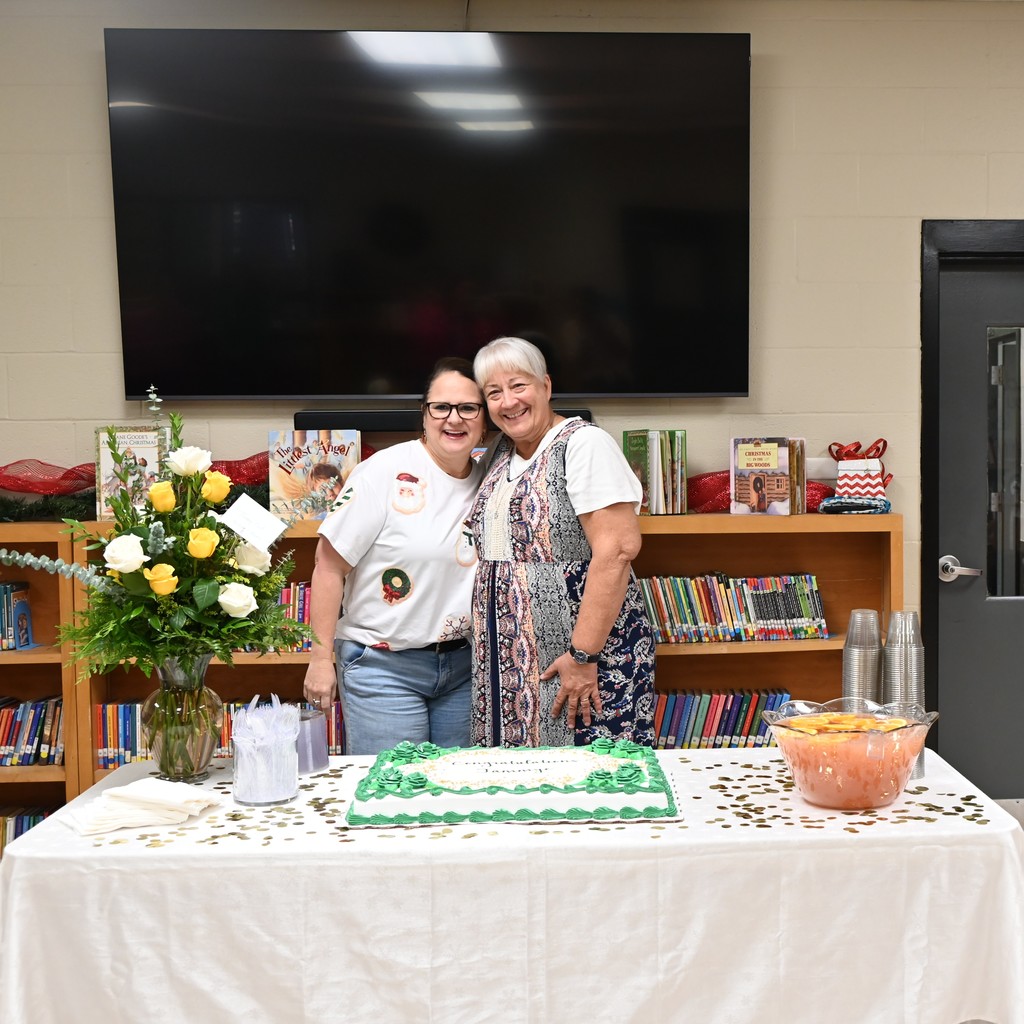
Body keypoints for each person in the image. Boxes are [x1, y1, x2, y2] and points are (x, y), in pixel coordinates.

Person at [467, 336, 656, 748]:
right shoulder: (500, 452)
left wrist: (583, 657)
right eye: (494, 392)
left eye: (519, 385)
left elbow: (618, 550)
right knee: (517, 792)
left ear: (546, 386)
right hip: (510, 664)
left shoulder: (585, 444)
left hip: (581, 660)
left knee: (594, 783)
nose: (508, 401)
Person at [302, 357, 488, 754]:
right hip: (383, 668)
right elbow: (328, 567)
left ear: (484, 417)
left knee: (456, 796)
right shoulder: (382, 472)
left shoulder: (490, 480)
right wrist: (320, 659)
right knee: (393, 795)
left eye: (468, 408)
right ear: (424, 414)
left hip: (464, 670)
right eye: (441, 407)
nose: (453, 419)